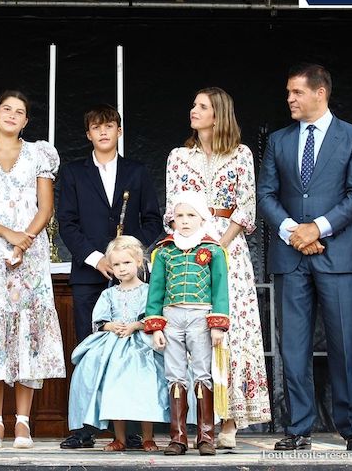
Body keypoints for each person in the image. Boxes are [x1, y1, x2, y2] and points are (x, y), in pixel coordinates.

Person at [258, 63, 352, 452]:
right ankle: (299, 427)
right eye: (288, 93)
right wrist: (294, 231)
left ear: (320, 92)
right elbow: (266, 195)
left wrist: (318, 227)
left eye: (296, 92)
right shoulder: (279, 140)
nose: (289, 98)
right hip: (291, 256)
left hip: (337, 256)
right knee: (293, 346)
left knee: (345, 345)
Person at [0, 90, 65, 449]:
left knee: (27, 332)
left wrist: (24, 241)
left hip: (29, 254)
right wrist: (8, 235)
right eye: (7, 109)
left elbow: (45, 207)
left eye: (20, 111)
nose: (12, 115)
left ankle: (22, 422)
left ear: (26, 120)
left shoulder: (38, 155)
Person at [164, 87, 270, 446]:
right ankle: (193, 424)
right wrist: (190, 246)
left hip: (228, 251)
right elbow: (171, 209)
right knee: (190, 332)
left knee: (230, 331)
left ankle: (230, 420)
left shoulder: (240, 155)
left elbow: (246, 208)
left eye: (202, 106)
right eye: (193, 104)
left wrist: (217, 248)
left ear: (218, 114)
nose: (193, 110)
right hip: (187, 253)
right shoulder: (178, 157)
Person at [57, 104, 162, 449]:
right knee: (91, 351)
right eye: (97, 127)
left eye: (110, 126)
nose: (104, 132)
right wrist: (96, 258)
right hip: (89, 275)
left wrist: (127, 257)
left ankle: (130, 427)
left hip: (132, 276)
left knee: (133, 353)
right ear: (88, 134)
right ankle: (85, 427)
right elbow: (68, 224)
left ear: (119, 131)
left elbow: (152, 221)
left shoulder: (137, 171)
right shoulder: (73, 173)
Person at [145, 191, 229, 457]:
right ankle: (178, 437)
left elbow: (220, 290)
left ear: (202, 218)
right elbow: (156, 290)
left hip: (200, 318)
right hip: (171, 318)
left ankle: (206, 436)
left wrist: (217, 323)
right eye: (179, 215)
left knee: (203, 373)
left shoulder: (213, 249)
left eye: (191, 215)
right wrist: (156, 325)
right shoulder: (165, 252)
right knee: (175, 375)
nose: (184, 220)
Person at [67, 235, 166, 452]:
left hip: (141, 345)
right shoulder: (109, 293)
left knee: (145, 384)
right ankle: (119, 437)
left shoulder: (148, 291)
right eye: (117, 264)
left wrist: (135, 326)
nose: (122, 269)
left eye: (127, 263)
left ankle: (147, 436)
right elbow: (99, 321)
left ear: (139, 261)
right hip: (113, 345)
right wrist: (110, 326)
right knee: (111, 383)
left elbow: (152, 316)